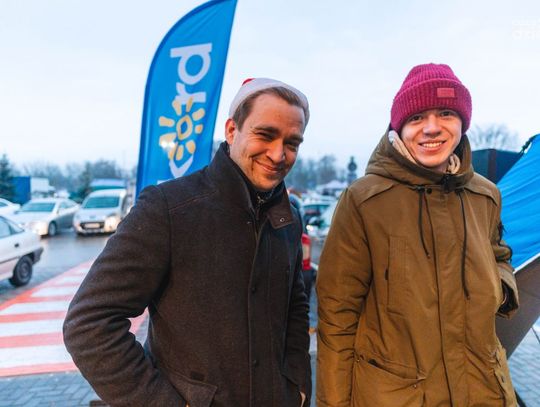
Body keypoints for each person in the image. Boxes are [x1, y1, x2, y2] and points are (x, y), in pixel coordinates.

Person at [63, 78, 312, 407]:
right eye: (265, 135)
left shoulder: (289, 216)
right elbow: (89, 324)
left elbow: (295, 308)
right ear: (232, 130)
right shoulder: (168, 208)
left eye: (292, 143)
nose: (278, 154)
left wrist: (298, 386)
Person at [316, 63, 519, 406]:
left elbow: (499, 256)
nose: (431, 127)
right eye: (416, 117)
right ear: (400, 128)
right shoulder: (364, 200)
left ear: (463, 122)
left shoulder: (485, 195)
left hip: (482, 390)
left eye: (446, 113)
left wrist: (498, 288)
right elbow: (337, 318)